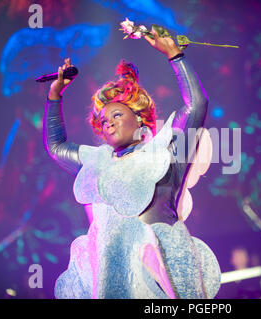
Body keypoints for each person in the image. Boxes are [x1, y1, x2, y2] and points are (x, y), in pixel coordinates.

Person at [43, 27, 221, 298]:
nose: (108, 123)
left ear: (138, 118)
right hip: (113, 280)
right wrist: (55, 96)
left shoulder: (166, 153)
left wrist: (175, 55)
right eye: (103, 121)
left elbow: (196, 105)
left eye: (115, 115)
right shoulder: (96, 163)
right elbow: (56, 147)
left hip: (161, 271)